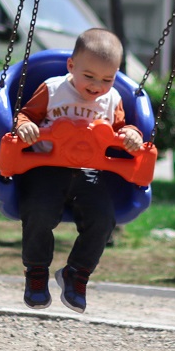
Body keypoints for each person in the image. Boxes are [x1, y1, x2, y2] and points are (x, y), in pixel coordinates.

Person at [13, 27, 145, 313]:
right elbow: (25, 114)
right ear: (71, 66)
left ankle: (77, 273)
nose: (97, 86)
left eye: (107, 79)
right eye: (89, 76)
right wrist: (25, 126)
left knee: (103, 220)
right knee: (38, 212)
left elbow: (124, 128)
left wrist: (132, 135)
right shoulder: (52, 89)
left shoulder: (112, 101)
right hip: (46, 167)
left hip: (89, 172)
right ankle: (36, 272)